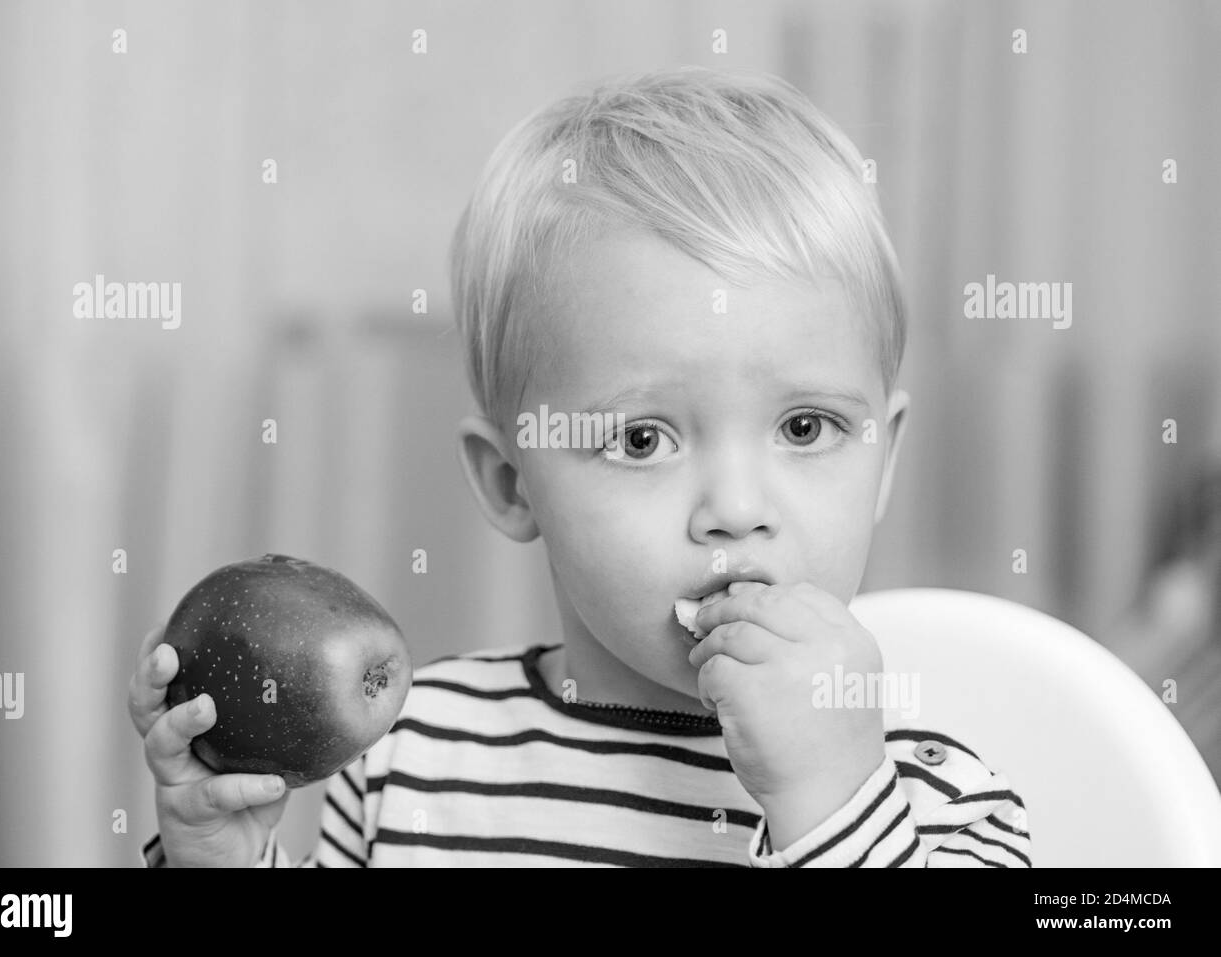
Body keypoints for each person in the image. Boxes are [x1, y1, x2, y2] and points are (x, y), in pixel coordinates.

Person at [130, 65, 1031, 867]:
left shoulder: (940, 799)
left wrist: (833, 804)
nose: (736, 509)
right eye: (642, 439)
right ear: (510, 481)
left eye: (804, 426)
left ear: (884, 461)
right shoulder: (413, 754)